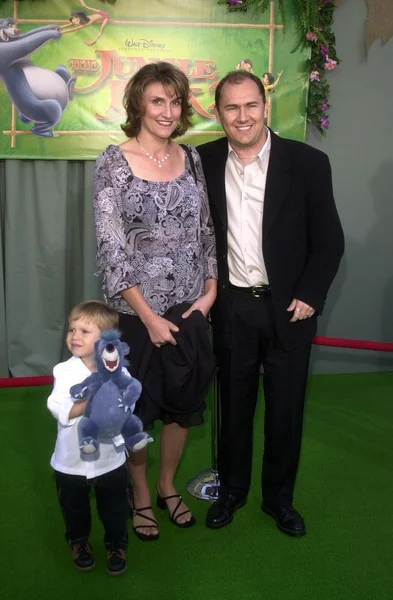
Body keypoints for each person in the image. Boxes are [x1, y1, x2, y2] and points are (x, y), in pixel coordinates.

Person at [197, 71, 344, 536]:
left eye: (251, 106)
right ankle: (232, 492)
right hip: (232, 309)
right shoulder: (200, 162)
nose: (243, 117)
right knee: (233, 411)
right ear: (218, 113)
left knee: (285, 414)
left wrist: (310, 295)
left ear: (265, 106)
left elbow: (329, 241)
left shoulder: (307, 162)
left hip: (288, 310)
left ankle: (279, 500)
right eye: (232, 108)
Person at [93, 62, 218, 541]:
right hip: (135, 314)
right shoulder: (113, 161)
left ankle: (168, 487)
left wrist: (210, 292)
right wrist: (146, 316)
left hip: (188, 310)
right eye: (157, 101)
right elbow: (111, 247)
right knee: (136, 414)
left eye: (175, 101)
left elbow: (207, 230)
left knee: (184, 405)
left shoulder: (191, 157)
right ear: (138, 106)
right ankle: (141, 493)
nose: (168, 111)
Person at [47, 301, 132, 575]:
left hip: (111, 459)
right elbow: (59, 407)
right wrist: (90, 402)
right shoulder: (63, 371)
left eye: (84, 330)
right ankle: (79, 542)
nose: (75, 336)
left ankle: (116, 544)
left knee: (115, 507)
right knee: (75, 509)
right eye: (72, 329)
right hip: (71, 461)